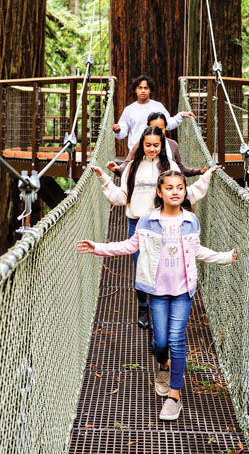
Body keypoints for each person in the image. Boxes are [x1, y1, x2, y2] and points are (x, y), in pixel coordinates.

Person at [78, 170, 237, 421]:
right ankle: (163, 365)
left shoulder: (191, 221)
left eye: (180, 188)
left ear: (185, 192)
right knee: (160, 342)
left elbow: (197, 250)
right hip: (157, 291)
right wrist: (98, 247)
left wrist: (225, 258)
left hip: (184, 291)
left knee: (176, 340)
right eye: (170, 188)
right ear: (159, 192)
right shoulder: (147, 221)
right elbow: (130, 246)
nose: (176, 192)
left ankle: (174, 395)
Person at [88, 126, 219, 329]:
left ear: (162, 145)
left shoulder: (170, 166)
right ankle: (143, 306)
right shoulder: (131, 167)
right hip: (139, 224)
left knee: (163, 267)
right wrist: (103, 178)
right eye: (147, 145)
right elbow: (122, 197)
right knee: (141, 268)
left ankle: (161, 311)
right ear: (142, 144)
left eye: (156, 145)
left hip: (165, 223)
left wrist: (206, 177)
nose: (151, 149)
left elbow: (185, 194)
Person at [107, 112, 206, 177]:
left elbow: (180, 168)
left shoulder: (172, 145)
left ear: (165, 128)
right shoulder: (140, 145)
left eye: (161, 129)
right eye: (154, 128)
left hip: (168, 190)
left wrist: (198, 171)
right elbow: (127, 165)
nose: (158, 132)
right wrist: (117, 170)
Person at [112, 75, 195, 150]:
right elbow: (122, 132)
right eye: (140, 88)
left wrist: (181, 115)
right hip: (136, 152)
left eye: (146, 88)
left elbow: (168, 124)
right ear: (136, 90)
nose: (143, 91)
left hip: (155, 150)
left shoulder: (158, 106)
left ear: (150, 90)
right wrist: (117, 131)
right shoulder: (129, 110)